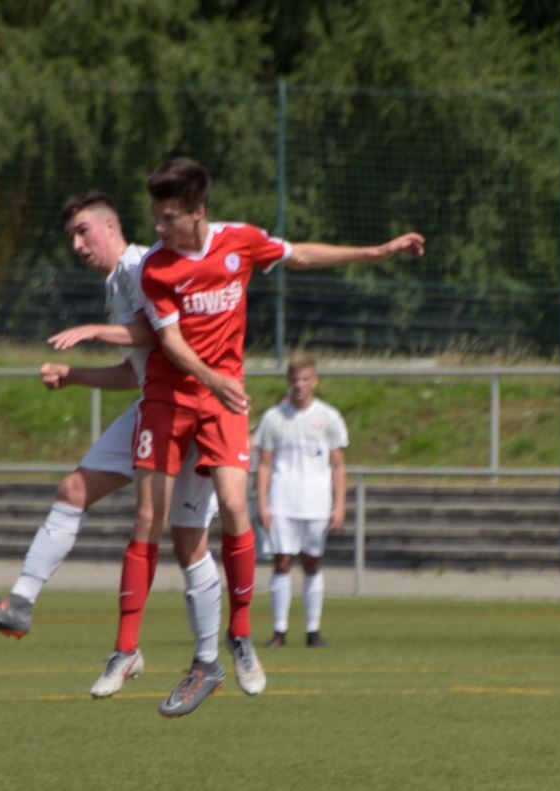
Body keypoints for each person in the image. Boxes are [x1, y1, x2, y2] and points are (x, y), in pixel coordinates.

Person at [132, 156, 425, 717]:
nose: (159, 225)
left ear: (198, 211)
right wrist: (208, 376)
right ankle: (188, 656)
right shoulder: (153, 266)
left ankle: (239, 638)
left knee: (234, 506)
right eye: (156, 215)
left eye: (169, 216)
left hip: (222, 402)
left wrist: (376, 252)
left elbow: (302, 255)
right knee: (178, 536)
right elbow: (164, 341)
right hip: (175, 400)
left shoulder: (239, 242)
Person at [0, 191, 220, 701]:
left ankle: (208, 660)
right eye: (71, 237)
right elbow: (135, 369)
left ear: (110, 227)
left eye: (82, 232)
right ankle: (20, 605)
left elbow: (161, 334)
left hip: (192, 410)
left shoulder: (142, 266)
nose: (76, 245)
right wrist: (75, 376)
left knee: (189, 544)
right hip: (151, 406)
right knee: (73, 490)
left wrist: (97, 331)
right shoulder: (116, 284)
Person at [254, 355, 348, 648]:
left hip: (316, 501)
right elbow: (264, 464)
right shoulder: (273, 418)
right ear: (288, 381)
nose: (300, 385)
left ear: (314, 381)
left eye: (305, 379)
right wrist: (262, 503)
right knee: (282, 561)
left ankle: (312, 630)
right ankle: (279, 631)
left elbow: (338, 465)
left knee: (311, 561)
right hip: (282, 499)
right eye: (295, 379)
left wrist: (339, 504)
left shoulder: (328, 417)